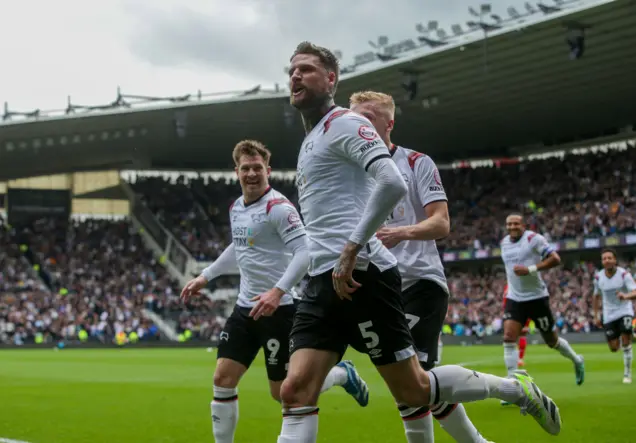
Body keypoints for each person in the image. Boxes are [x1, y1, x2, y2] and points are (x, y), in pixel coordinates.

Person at [276, 41, 562, 443]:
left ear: (331, 79)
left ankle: (514, 389)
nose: (295, 75)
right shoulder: (311, 141)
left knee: (413, 391)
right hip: (323, 281)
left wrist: (353, 246)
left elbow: (396, 186)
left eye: (306, 69)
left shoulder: (348, 125)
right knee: (294, 390)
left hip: (365, 275)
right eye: (292, 70)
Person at [180, 140, 369, 443]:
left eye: (257, 168)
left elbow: (304, 252)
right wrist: (206, 276)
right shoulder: (237, 207)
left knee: (281, 391)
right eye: (246, 168)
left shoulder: (278, 208)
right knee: (222, 379)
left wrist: (278, 292)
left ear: (268, 170)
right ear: (236, 171)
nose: (252, 174)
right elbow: (239, 245)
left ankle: (341, 374)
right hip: (245, 309)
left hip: (280, 310)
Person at [350, 90, 493, 443]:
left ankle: (510, 390)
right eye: (354, 118)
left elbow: (441, 224)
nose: (359, 125)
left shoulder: (415, 162)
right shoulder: (350, 172)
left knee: (409, 383)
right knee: (418, 383)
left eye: (368, 117)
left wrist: (401, 233)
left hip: (421, 283)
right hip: (380, 287)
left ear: (389, 123)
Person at [500, 214, 585, 397]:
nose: (512, 226)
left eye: (516, 223)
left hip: (537, 298)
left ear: (523, 225)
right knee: (508, 337)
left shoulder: (533, 239)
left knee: (551, 341)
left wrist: (530, 269)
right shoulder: (504, 242)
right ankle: (513, 387)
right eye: (509, 224)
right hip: (515, 298)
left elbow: (555, 258)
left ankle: (577, 360)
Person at [594, 248, 636, 383]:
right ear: (602, 262)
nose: (607, 260)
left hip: (624, 311)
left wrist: (625, 296)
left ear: (615, 260)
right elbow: (596, 296)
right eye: (604, 259)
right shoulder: (598, 277)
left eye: (609, 258)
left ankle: (627, 373)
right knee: (614, 348)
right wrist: (596, 315)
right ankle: (623, 334)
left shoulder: (624, 275)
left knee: (626, 342)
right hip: (609, 314)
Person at [503, 284, 528, 368]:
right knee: (521, 335)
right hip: (523, 308)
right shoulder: (522, 283)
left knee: (513, 336)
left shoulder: (509, 285)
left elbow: (505, 300)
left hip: (511, 310)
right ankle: (519, 359)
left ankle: (516, 360)